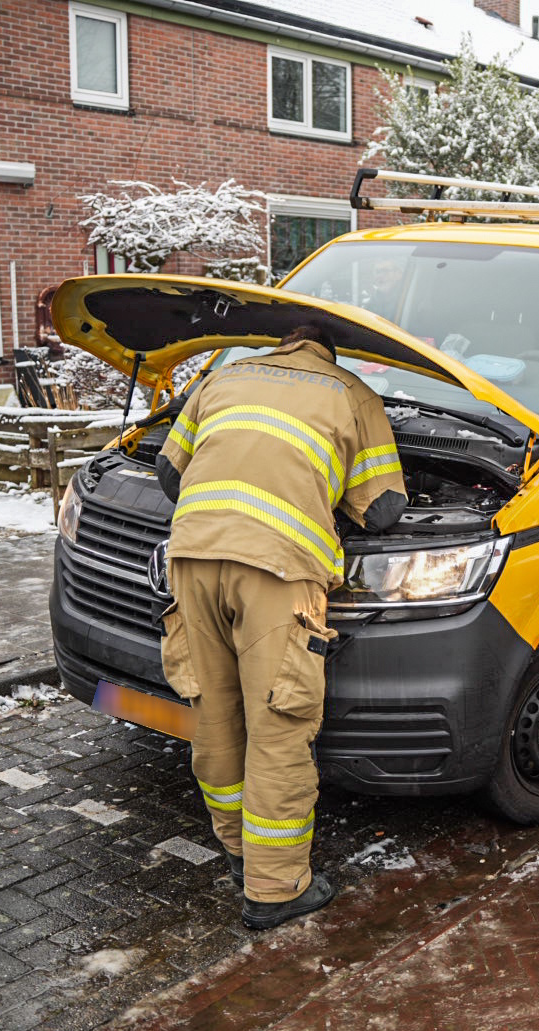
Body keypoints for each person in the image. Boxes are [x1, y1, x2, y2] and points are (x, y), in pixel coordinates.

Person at [156, 323, 407, 930]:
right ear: (329, 351)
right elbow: (384, 509)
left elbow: (169, 472)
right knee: (280, 723)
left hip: (190, 557)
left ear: (282, 343)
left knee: (215, 714)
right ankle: (275, 889)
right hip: (279, 570)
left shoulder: (224, 376)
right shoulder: (352, 394)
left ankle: (241, 853)